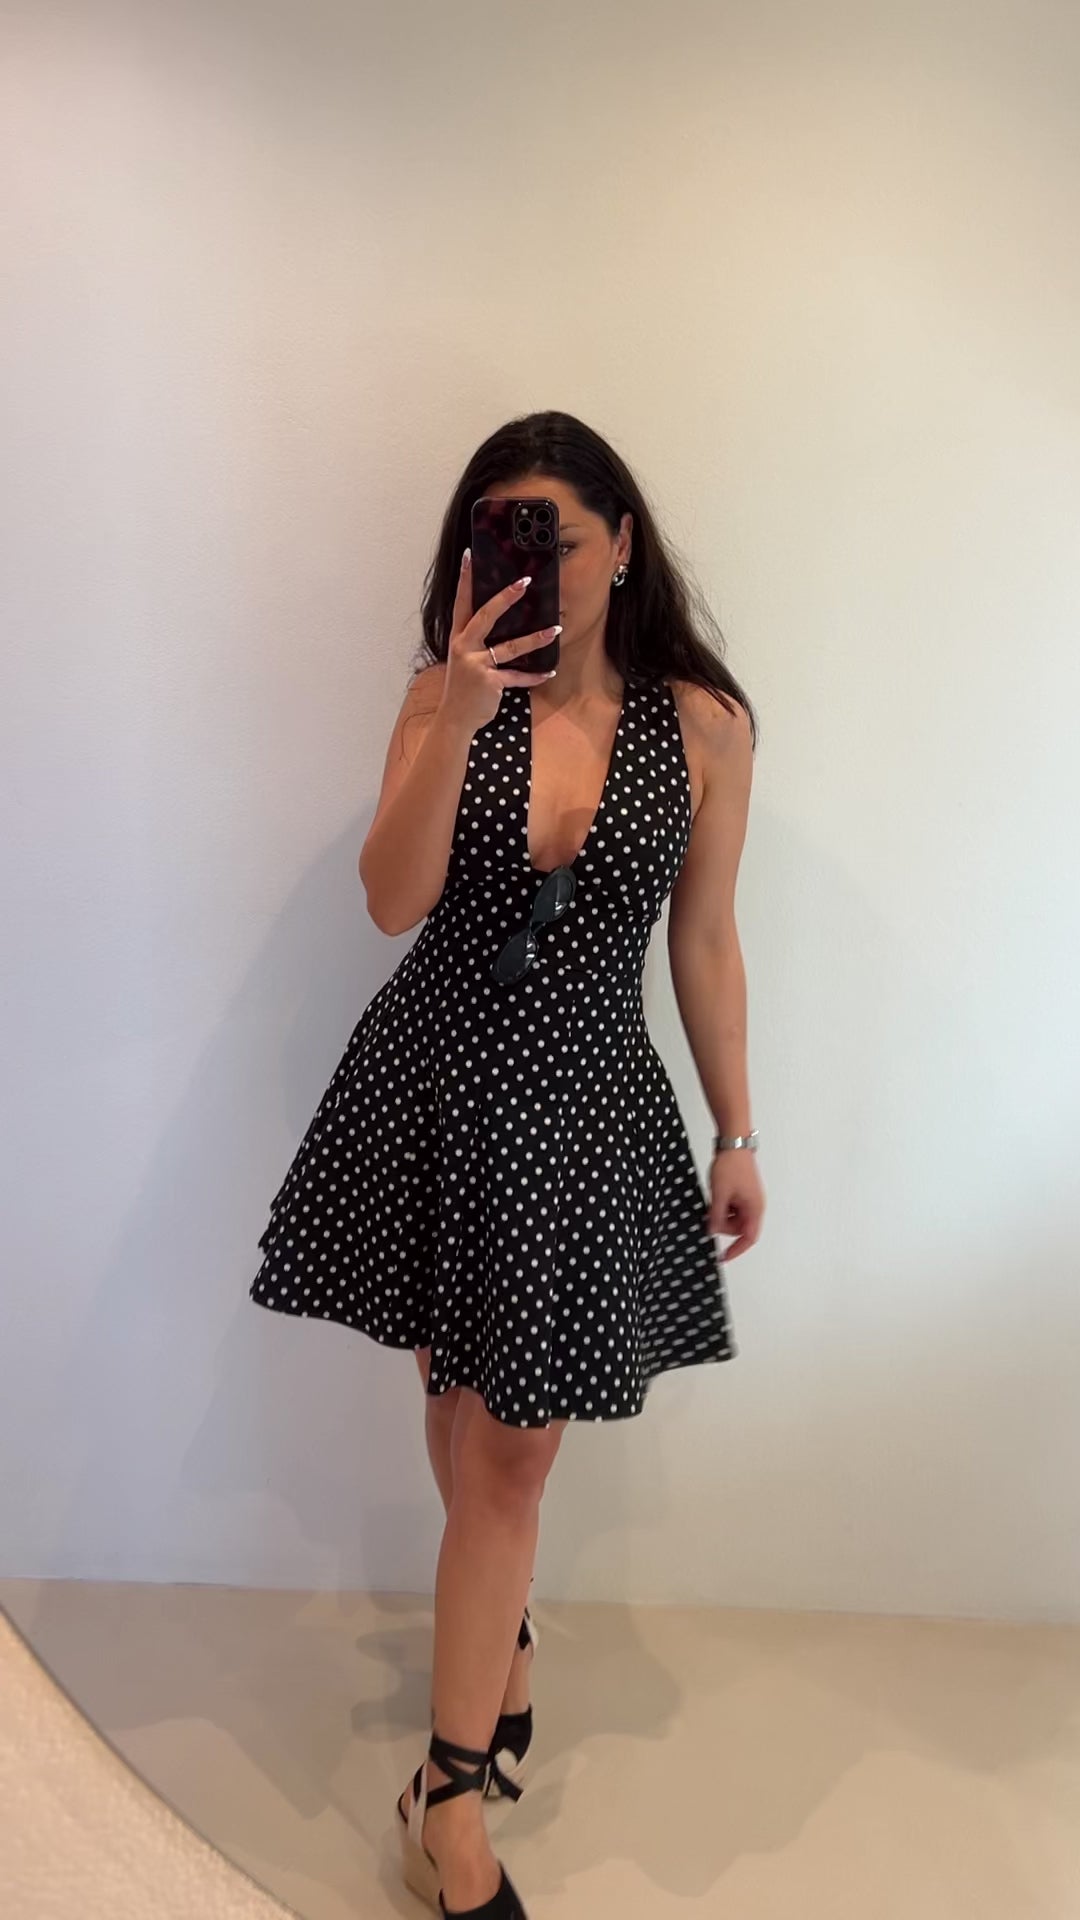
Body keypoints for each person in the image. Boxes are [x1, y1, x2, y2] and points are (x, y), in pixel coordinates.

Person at [249, 409, 765, 1919]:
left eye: (558, 536)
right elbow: (389, 901)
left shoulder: (705, 726)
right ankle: (499, 1665)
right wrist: (463, 715)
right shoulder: (442, 696)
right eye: (500, 535)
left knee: (517, 1446)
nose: (532, 563)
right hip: (437, 1081)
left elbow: (706, 939)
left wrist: (737, 1128)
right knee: (455, 1393)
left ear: (624, 545)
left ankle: (447, 1792)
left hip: (587, 1102)